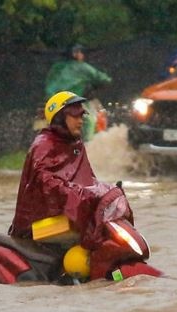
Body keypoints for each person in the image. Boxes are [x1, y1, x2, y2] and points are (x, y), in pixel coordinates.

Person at [10, 91, 112, 249]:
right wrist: (75, 194)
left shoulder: (76, 144)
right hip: (38, 230)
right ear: (60, 118)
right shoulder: (44, 145)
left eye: (82, 116)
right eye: (75, 116)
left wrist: (103, 192)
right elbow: (46, 182)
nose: (81, 121)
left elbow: (88, 179)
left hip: (69, 221)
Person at [44, 44, 112, 141]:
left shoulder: (56, 67)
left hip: (52, 103)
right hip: (71, 103)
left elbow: (49, 84)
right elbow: (104, 79)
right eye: (81, 52)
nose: (82, 55)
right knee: (89, 121)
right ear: (75, 54)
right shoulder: (82, 67)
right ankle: (87, 146)